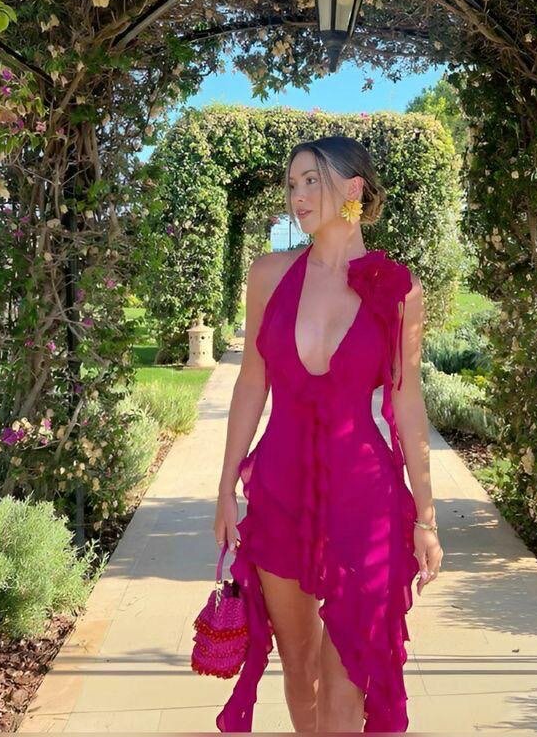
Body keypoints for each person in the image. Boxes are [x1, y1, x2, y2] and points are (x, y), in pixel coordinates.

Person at [214, 135, 443, 733]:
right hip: (279, 493)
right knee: (301, 670)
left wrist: (426, 517)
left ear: (353, 189)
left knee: (346, 688)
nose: (298, 195)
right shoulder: (268, 275)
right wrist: (225, 489)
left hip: (364, 500)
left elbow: (407, 401)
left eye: (312, 180)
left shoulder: (398, 289)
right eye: (292, 184)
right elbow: (251, 383)